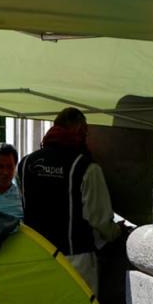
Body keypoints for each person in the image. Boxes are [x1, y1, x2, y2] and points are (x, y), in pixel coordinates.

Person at [19, 108, 121, 294]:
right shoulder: (86, 167)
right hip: (75, 260)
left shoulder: (26, 164)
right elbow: (99, 219)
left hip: (36, 256)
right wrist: (116, 233)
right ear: (81, 131)